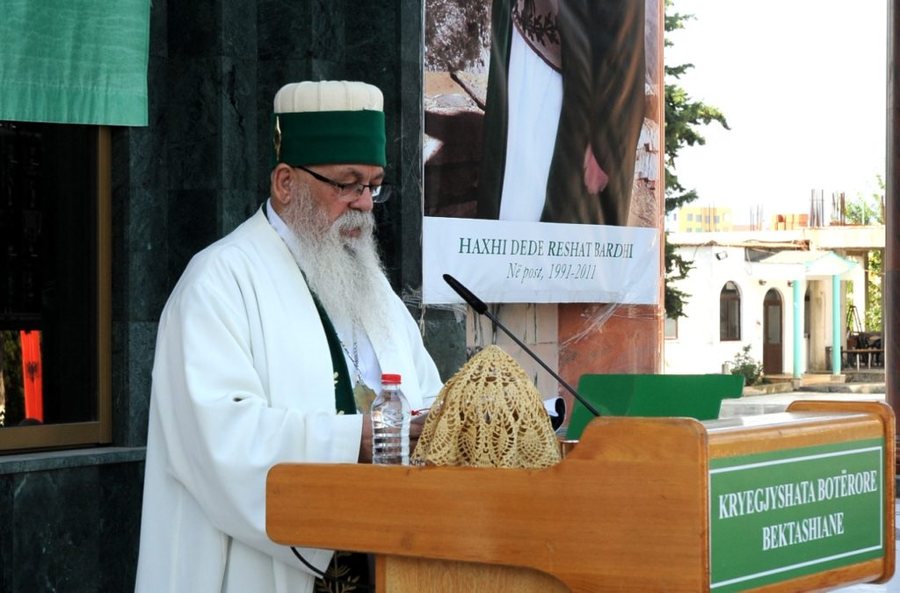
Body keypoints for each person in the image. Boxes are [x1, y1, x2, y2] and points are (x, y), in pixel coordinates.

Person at [134, 80, 443, 593]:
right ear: (285, 182)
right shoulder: (219, 282)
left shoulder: (376, 292)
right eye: (347, 184)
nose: (365, 205)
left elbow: (425, 396)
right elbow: (221, 440)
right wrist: (357, 440)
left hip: (388, 563)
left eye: (374, 185)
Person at [476, 0, 646, 225]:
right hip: (523, 50)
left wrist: (603, 141)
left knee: (544, 218)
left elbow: (621, 38)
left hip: (565, 84)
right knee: (510, 208)